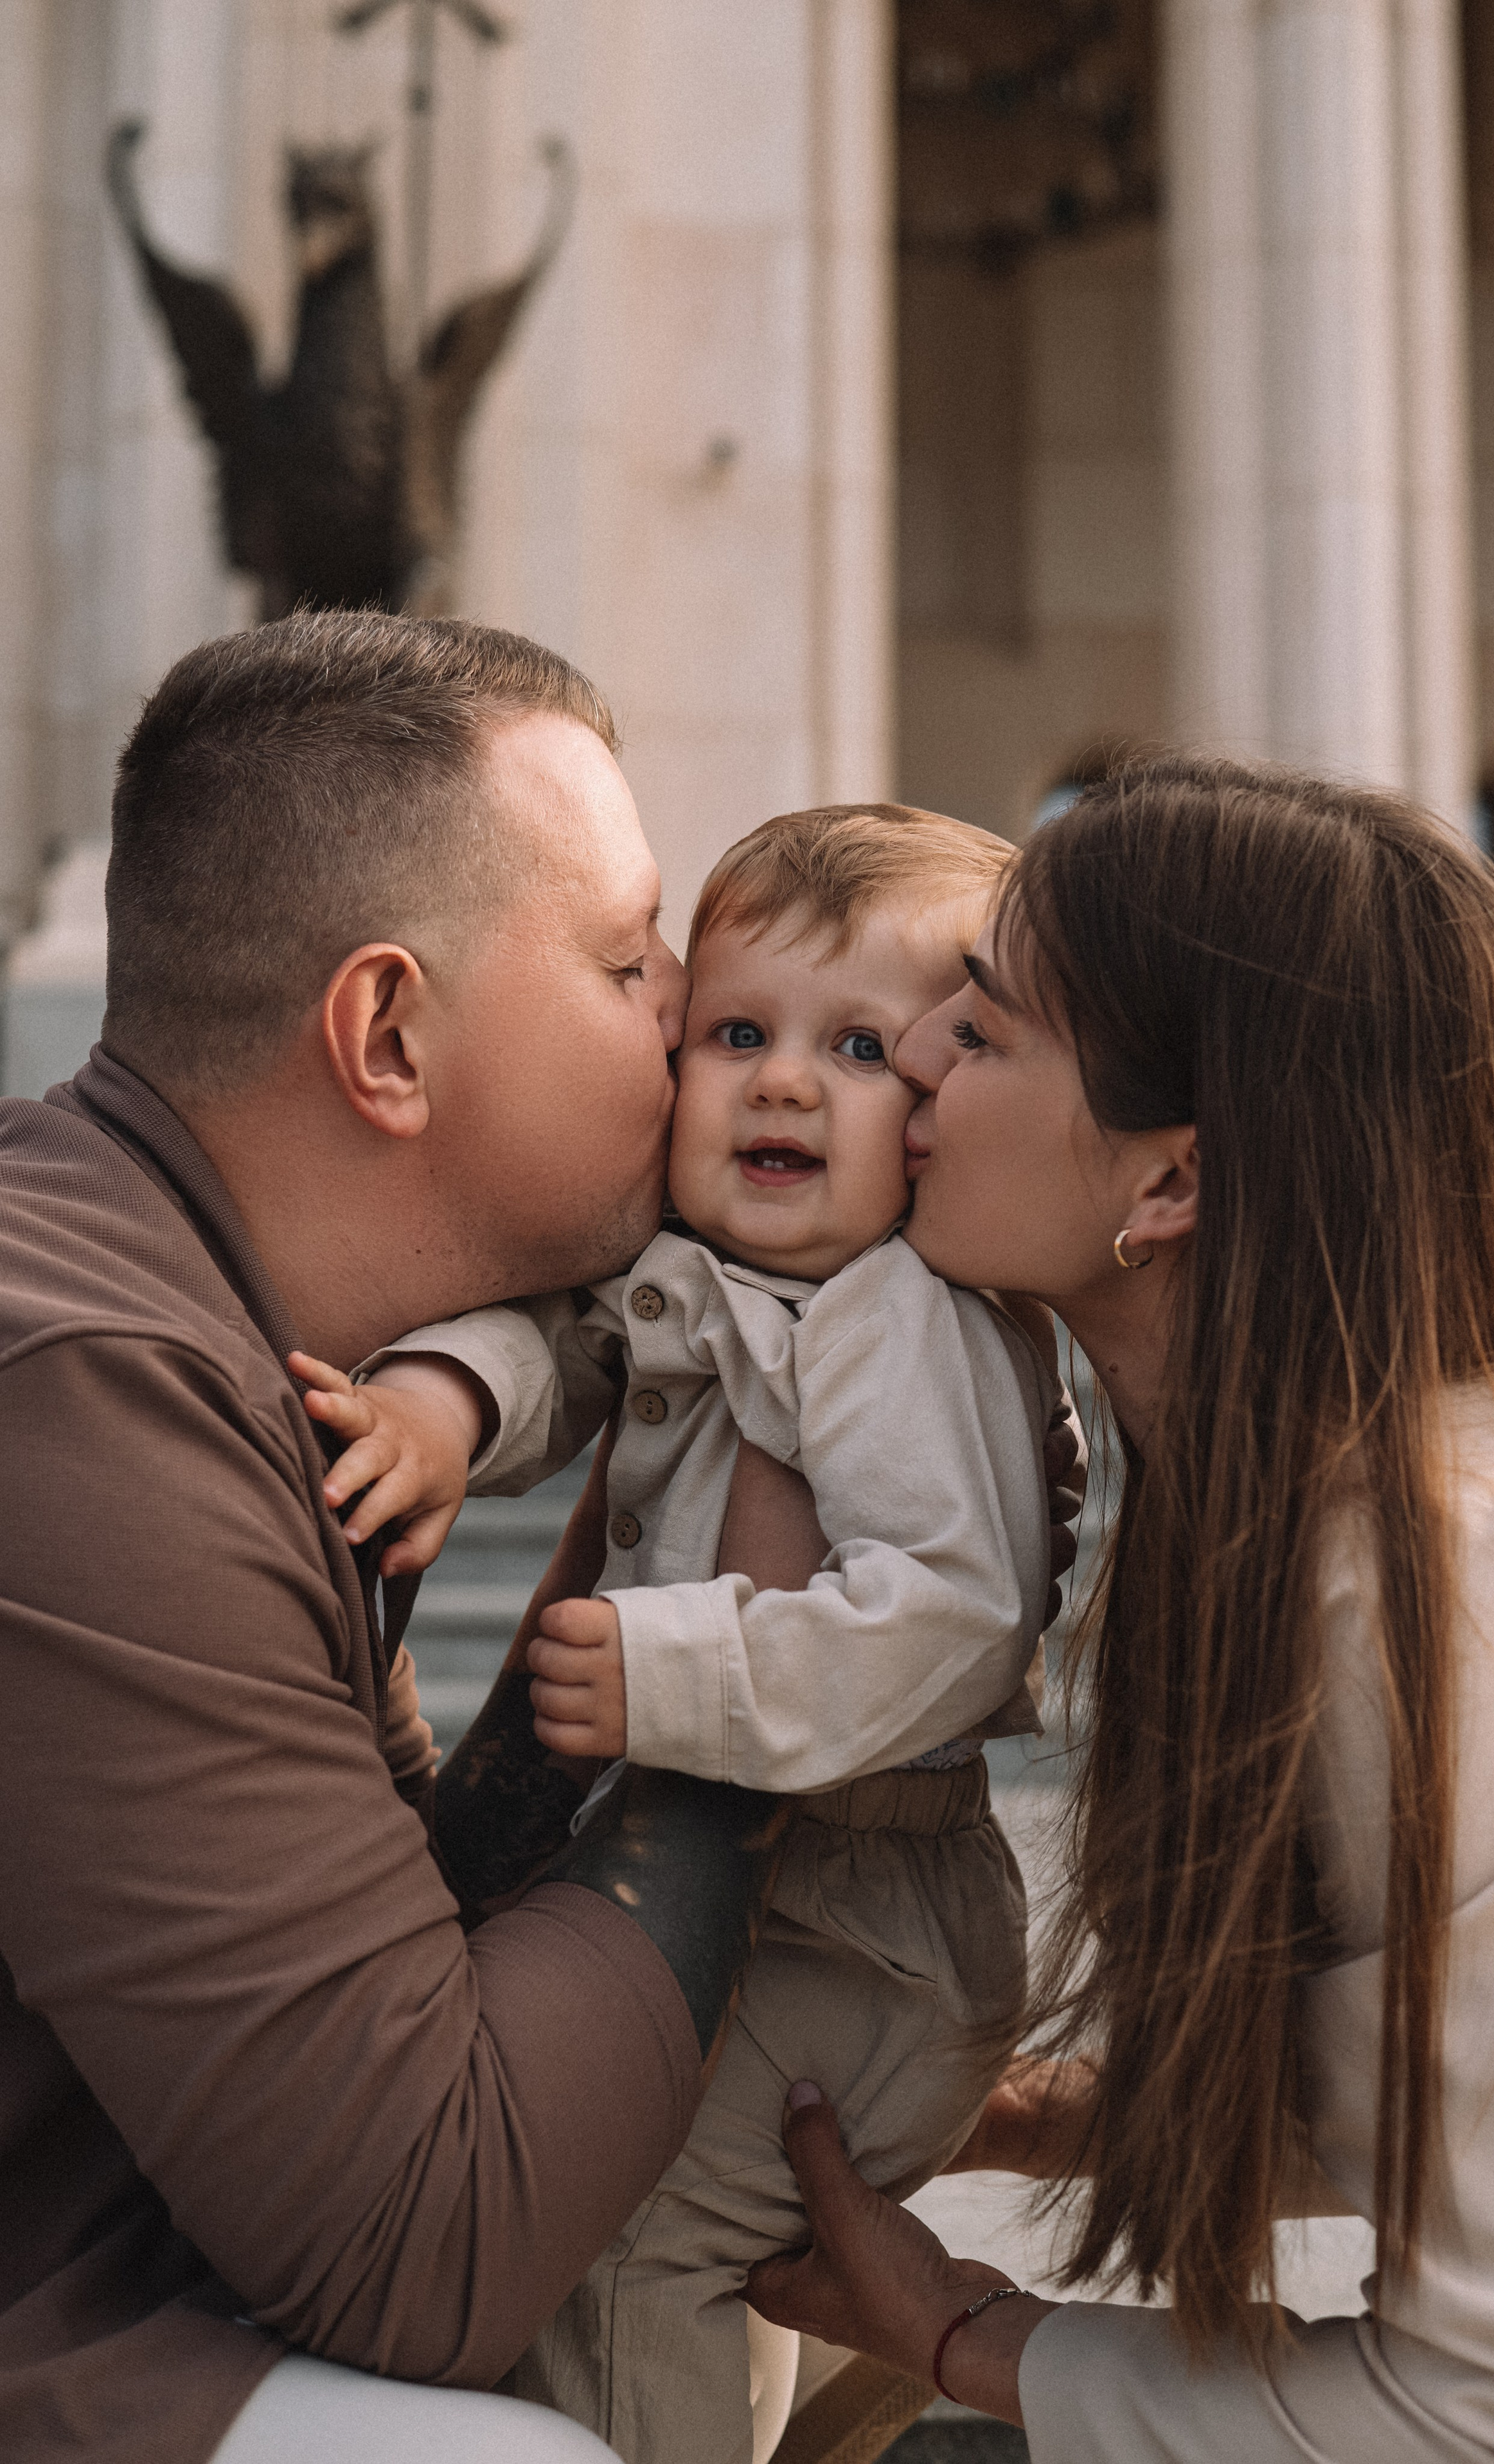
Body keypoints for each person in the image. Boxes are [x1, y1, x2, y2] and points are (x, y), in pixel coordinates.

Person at [745, 757, 1494, 2464]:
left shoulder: (1463, 1577)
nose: (912, 1054)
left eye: (987, 1029)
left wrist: (965, 2329)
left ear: (1168, 1186)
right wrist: (1021, 2119)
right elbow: (1483, 2114)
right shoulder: (1351, 1503)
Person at [0, 611, 797, 2464]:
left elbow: (415, 1960)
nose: (690, 1010)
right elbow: (427, 2229)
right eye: (623, 956)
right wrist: (757, 1690)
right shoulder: (81, 1385)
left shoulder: (173, 1309)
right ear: (387, 1035)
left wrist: (644, 1580)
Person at [296, 804, 1078, 2464]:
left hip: (863, 1916)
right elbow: (560, 1343)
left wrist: (677, 1668)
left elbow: (952, 1612)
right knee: (696, 2248)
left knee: (624, 2247)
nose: (782, 1081)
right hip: (786, 1895)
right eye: (738, 1031)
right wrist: (436, 1411)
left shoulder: (895, 1315)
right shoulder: (712, 1271)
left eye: (858, 1047)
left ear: (938, 1110)